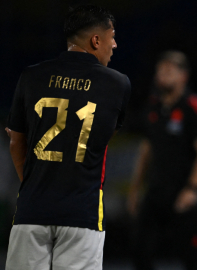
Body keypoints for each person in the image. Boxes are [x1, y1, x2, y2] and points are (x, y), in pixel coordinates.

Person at [5, 5, 130, 270]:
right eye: (112, 36)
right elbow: (104, 137)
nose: (115, 44)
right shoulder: (117, 84)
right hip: (82, 213)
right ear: (96, 40)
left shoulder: (30, 76)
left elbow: (16, 142)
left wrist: (33, 184)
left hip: (32, 209)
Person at [127, 51, 197, 270]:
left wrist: (192, 189)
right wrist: (135, 188)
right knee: (140, 250)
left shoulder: (193, 107)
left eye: (170, 70)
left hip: (183, 192)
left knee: (189, 255)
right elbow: (146, 150)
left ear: (183, 76)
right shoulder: (153, 107)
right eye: (161, 70)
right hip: (155, 192)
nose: (164, 75)